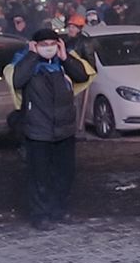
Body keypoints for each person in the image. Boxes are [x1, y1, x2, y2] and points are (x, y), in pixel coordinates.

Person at [12, 28, 90, 231]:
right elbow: (18, 80)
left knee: (65, 173)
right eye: (43, 45)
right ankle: (40, 215)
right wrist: (31, 55)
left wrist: (65, 58)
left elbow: (81, 76)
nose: (48, 48)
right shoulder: (26, 63)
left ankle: (58, 210)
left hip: (64, 130)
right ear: (35, 45)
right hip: (38, 130)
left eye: (52, 44)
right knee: (40, 175)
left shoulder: (62, 64)